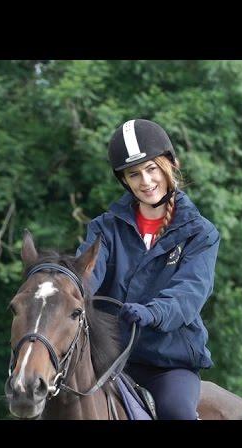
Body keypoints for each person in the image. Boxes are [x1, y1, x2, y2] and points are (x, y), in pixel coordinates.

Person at [76, 119, 220, 420]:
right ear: (124, 181)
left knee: (178, 413)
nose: (145, 181)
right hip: (109, 357)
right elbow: (86, 274)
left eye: (151, 169)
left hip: (167, 362)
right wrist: (69, 293)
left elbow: (188, 293)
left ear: (170, 165)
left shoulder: (200, 233)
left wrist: (152, 312)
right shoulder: (105, 228)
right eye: (134, 174)